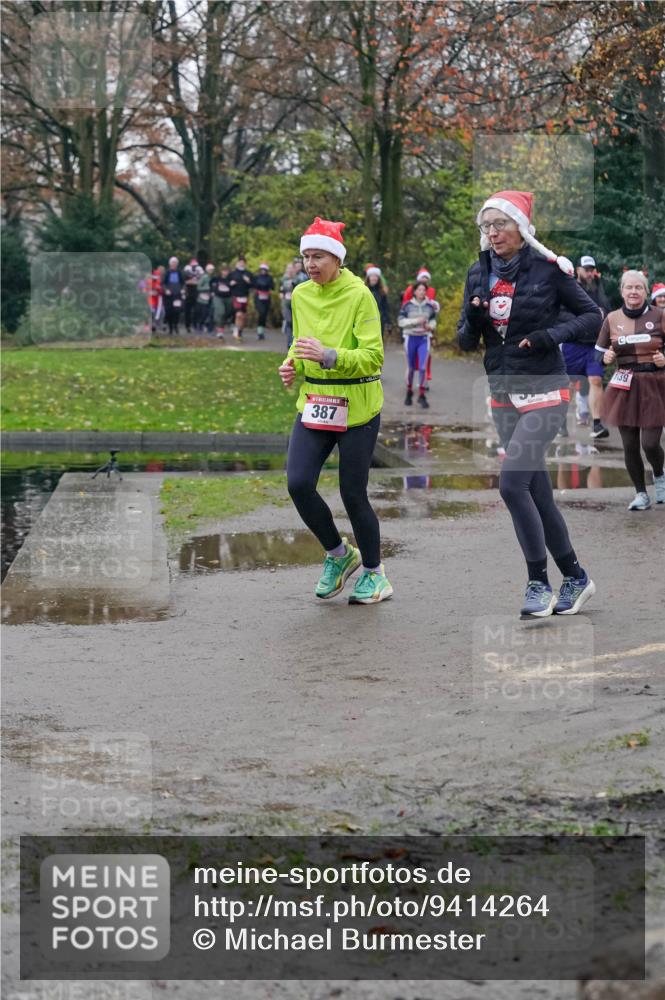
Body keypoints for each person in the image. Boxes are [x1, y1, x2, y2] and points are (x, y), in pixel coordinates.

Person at [457, 189, 601, 618]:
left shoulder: (549, 270)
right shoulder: (477, 272)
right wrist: (476, 320)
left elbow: (592, 317)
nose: (493, 233)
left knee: (511, 484)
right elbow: (464, 339)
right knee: (538, 495)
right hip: (502, 391)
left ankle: (538, 582)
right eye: (486, 226)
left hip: (546, 390)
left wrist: (547, 336)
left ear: (521, 227)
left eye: (500, 224)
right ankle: (575, 577)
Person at [278, 217, 392, 605]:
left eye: (318, 256)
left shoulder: (360, 295)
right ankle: (340, 556)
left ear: (337, 259)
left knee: (352, 493)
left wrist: (329, 356)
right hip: (315, 404)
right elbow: (299, 342)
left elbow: (373, 357)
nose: (310, 264)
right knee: (298, 483)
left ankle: (376, 575)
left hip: (358, 406)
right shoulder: (300, 295)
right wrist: (292, 364)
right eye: (306, 256)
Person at [595, 269, 665, 510]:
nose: (633, 291)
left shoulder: (660, 315)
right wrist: (605, 358)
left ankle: (659, 474)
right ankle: (640, 494)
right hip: (624, 383)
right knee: (630, 445)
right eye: (629, 287)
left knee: (650, 443)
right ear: (622, 291)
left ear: (645, 291)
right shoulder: (612, 319)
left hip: (655, 382)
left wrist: (663, 358)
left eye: (638, 287)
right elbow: (597, 354)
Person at [560, 255, 610, 439]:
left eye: (591, 270)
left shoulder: (598, 288)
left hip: (594, 346)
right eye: (586, 269)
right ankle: (561, 422)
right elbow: (559, 314)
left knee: (596, 380)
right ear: (578, 270)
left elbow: (607, 312)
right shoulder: (568, 288)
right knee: (570, 385)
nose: (589, 273)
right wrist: (584, 321)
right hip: (573, 345)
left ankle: (597, 424)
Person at [398, 281, 438, 408]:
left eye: (424, 290)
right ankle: (409, 392)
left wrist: (430, 326)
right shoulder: (407, 305)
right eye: (419, 290)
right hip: (410, 338)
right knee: (410, 368)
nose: (422, 292)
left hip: (423, 339)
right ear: (414, 291)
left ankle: (421, 395)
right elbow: (400, 322)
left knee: (422, 368)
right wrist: (416, 321)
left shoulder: (429, 306)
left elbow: (433, 320)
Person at [402, 268, 436, 388]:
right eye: (423, 278)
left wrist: (430, 325)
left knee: (425, 358)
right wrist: (415, 319)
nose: (424, 280)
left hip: (425, 333)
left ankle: (424, 381)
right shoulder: (410, 290)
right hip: (411, 333)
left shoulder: (431, 291)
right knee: (411, 362)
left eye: (426, 279)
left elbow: (433, 312)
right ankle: (409, 382)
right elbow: (405, 308)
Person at [228, 256, 253, 340]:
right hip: (236, 296)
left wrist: (249, 282)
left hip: (245, 297)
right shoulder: (232, 273)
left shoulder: (248, 273)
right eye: (240, 262)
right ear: (237, 263)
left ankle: (240, 331)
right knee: (238, 314)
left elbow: (254, 285)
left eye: (243, 262)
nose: (241, 264)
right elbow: (226, 283)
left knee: (243, 317)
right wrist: (230, 284)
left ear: (245, 264)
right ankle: (235, 332)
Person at [364, 265, 391, 339]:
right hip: (365, 320)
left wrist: (388, 322)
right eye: (372, 276)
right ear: (368, 278)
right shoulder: (363, 290)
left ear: (378, 278)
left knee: (378, 340)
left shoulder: (382, 292)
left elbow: (385, 307)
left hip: (379, 320)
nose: (374, 278)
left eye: (376, 276)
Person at [162, 256, 184, 335]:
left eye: (175, 263)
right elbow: (163, 283)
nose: (174, 264)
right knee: (169, 311)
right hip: (168, 296)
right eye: (173, 263)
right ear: (170, 264)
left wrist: (183, 289)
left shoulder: (179, 272)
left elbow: (183, 283)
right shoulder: (166, 272)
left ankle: (176, 326)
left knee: (177, 311)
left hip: (177, 295)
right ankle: (170, 327)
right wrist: (166, 290)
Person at [253, 262, 275, 340]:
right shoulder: (256, 277)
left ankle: (261, 332)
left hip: (266, 297)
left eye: (264, 269)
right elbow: (253, 285)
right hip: (258, 297)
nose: (263, 271)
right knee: (261, 312)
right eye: (262, 269)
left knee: (264, 314)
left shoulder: (269, 278)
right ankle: (259, 332)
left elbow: (272, 287)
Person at [211, 263, 233, 339]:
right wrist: (212, 291)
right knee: (221, 312)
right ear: (221, 271)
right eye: (223, 271)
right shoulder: (217, 278)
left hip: (228, 297)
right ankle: (220, 331)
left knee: (227, 313)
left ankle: (222, 324)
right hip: (218, 297)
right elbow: (210, 283)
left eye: (226, 271)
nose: (225, 272)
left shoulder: (231, 278)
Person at [194, 263, 215, 334]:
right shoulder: (204, 277)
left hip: (211, 298)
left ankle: (210, 328)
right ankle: (199, 325)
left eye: (212, 270)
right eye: (210, 270)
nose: (211, 271)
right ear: (207, 270)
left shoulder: (213, 278)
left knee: (211, 313)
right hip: (203, 298)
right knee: (203, 313)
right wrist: (207, 288)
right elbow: (198, 287)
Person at [280, 262, 296, 349]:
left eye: (291, 268)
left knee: (294, 324)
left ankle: (294, 342)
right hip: (286, 304)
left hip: (296, 304)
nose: (290, 270)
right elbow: (281, 291)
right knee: (289, 322)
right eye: (288, 268)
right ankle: (290, 343)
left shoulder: (298, 278)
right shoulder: (283, 279)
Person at [183, 258, 202, 333]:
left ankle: (195, 325)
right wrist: (192, 281)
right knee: (187, 311)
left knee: (197, 310)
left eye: (195, 265)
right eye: (193, 265)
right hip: (188, 293)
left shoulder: (199, 271)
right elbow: (186, 282)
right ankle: (187, 326)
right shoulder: (186, 271)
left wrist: (194, 281)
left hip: (196, 293)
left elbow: (199, 281)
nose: (194, 267)